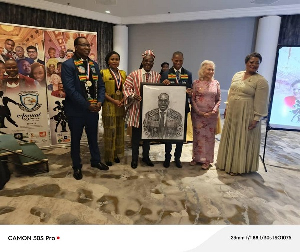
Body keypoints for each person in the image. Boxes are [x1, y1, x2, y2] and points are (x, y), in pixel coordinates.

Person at [61, 36, 108, 180]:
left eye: (88, 45)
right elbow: (70, 90)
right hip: (76, 111)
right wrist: (88, 105)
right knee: (75, 139)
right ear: (76, 47)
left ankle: (96, 160)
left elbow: (101, 86)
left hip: (93, 110)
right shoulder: (68, 65)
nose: (87, 48)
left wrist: (99, 102)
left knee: (93, 137)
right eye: (83, 45)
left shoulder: (94, 65)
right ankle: (76, 165)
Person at [216, 52, 269, 175]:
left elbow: (261, 102)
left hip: (247, 114)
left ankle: (237, 167)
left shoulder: (261, 81)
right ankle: (226, 163)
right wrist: (227, 106)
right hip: (233, 112)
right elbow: (231, 91)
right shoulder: (237, 75)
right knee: (232, 136)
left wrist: (256, 118)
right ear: (246, 63)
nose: (254, 65)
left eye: (257, 63)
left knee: (242, 139)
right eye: (251, 62)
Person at [123, 49, 161, 169]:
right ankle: (134, 159)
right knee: (136, 137)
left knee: (147, 137)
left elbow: (159, 91)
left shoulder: (157, 76)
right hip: (136, 110)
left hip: (151, 112)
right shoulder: (134, 74)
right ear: (142, 61)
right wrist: (133, 95)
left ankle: (146, 157)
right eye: (146, 61)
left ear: (153, 62)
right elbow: (126, 87)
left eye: (150, 61)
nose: (148, 63)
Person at [161, 51, 192, 168]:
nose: (178, 63)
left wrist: (189, 92)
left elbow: (190, 89)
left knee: (180, 135)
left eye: (180, 61)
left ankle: (177, 158)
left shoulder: (188, 74)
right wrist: (164, 84)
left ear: (183, 60)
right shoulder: (166, 74)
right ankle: (167, 157)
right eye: (176, 60)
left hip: (182, 109)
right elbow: (161, 91)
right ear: (172, 60)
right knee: (168, 135)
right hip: (169, 109)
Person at [190, 60, 221, 170]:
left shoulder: (216, 83)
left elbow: (218, 100)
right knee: (198, 136)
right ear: (203, 70)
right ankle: (196, 158)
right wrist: (198, 111)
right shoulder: (196, 83)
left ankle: (207, 160)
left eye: (212, 69)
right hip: (198, 115)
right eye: (209, 69)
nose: (211, 71)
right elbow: (192, 99)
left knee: (209, 138)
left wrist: (214, 110)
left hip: (211, 116)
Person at [101, 51, 126, 166]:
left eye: (117, 59)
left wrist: (123, 99)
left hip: (120, 105)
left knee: (119, 130)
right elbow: (101, 91)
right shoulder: (103, 73)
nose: (115, 61)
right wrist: (113, 100)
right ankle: (108, 156)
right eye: (112, 59)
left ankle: (116, 154)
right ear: (108, 61)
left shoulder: (123, 73)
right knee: (110, 131)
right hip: (109, 104)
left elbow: (127, 89)